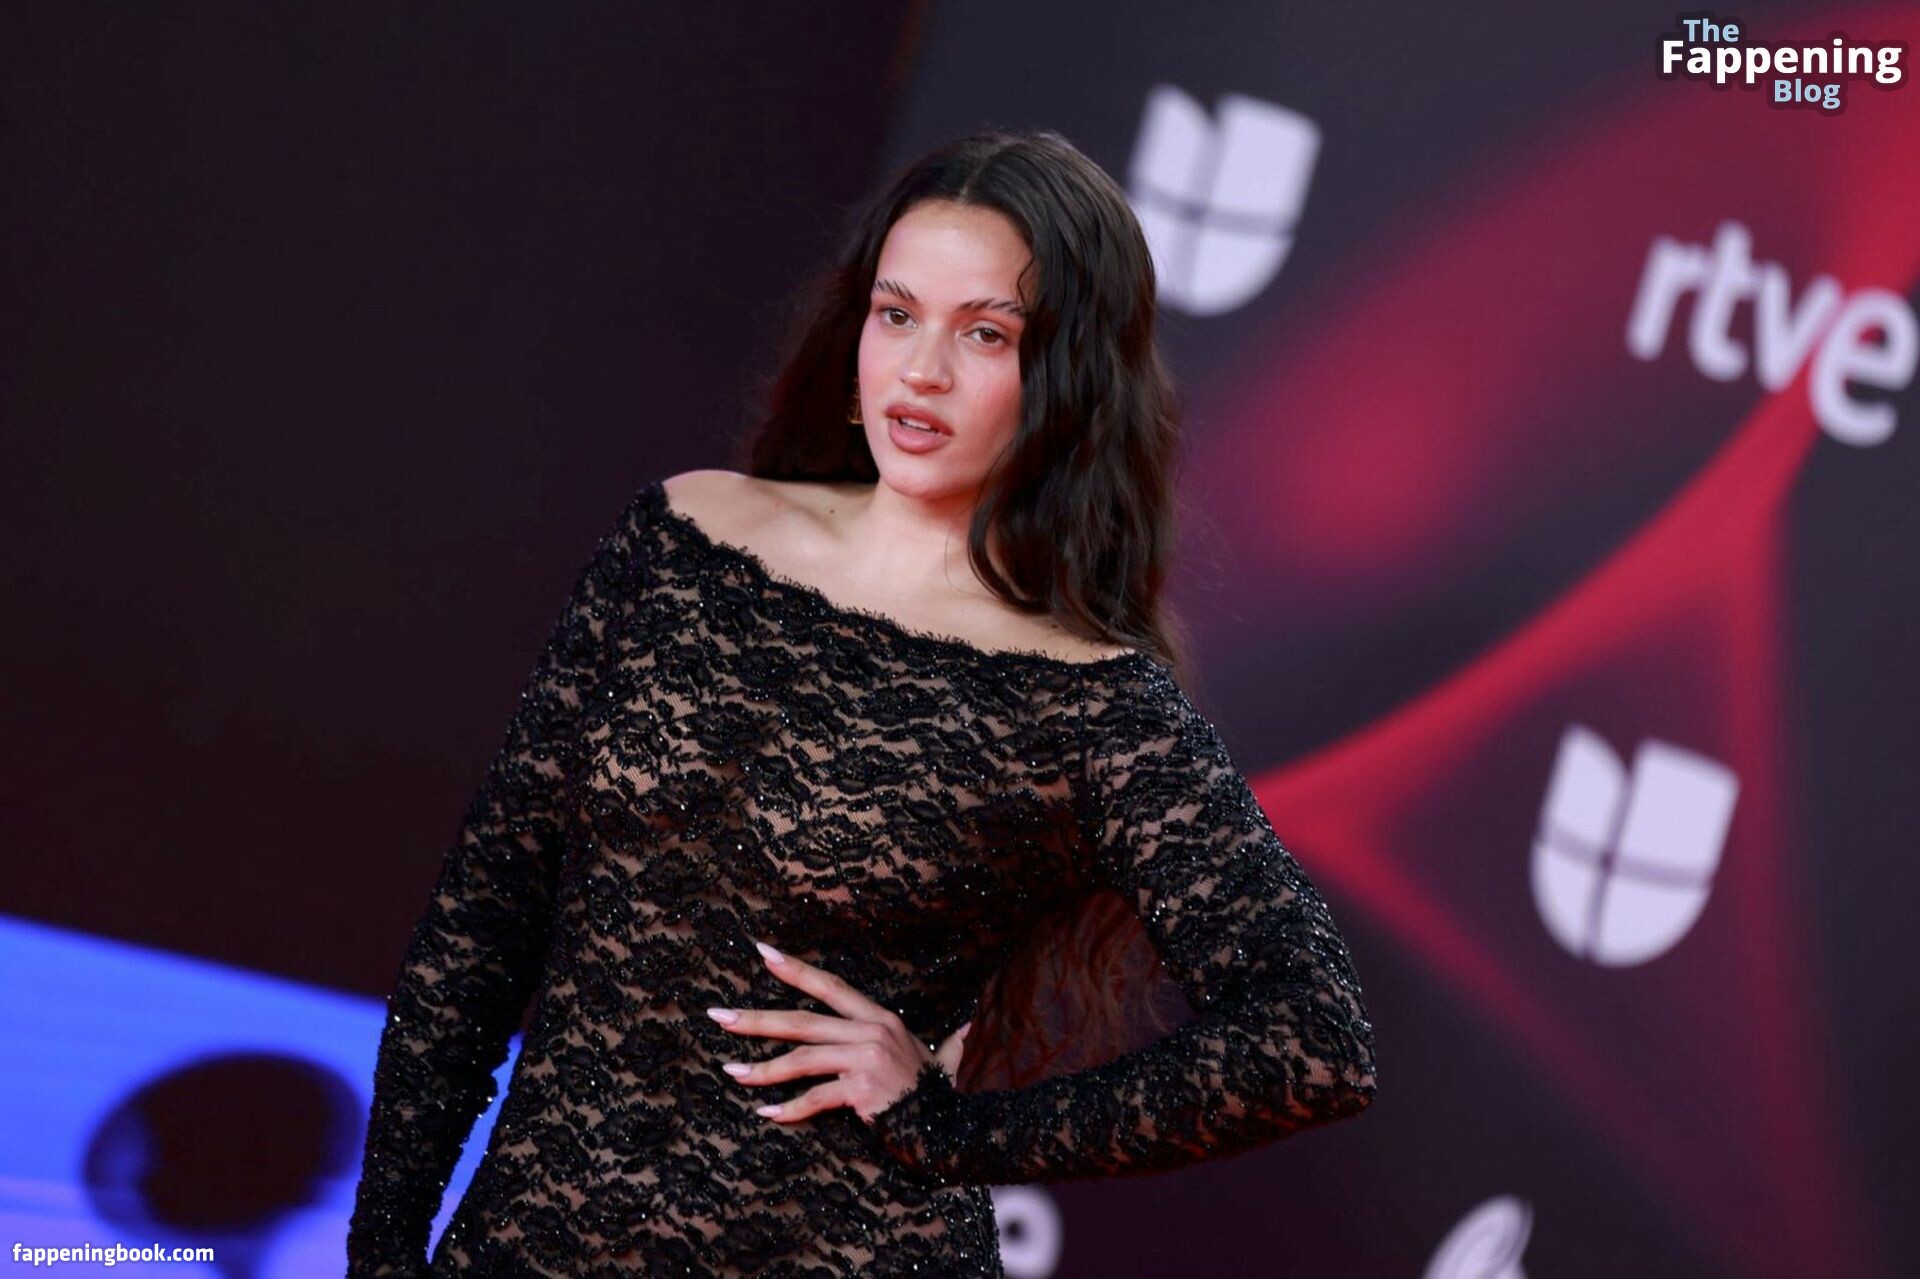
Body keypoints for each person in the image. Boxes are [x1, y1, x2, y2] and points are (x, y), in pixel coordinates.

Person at [346, 129, 1377, 1279]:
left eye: (985, 333)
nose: (921, 370)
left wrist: (953, 1131)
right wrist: (383, 1244)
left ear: (1072, 377)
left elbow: (1315, 1038)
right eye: (898, 314)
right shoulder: (684, 534)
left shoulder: (1087, 700)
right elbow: (484, 913)